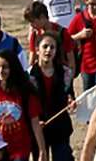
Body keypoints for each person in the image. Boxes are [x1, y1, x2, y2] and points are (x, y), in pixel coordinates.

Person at [28, 33, 74, 161]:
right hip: (38, 129)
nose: (48, 50)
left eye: (52, 47)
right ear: (37, 50)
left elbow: (69, 93)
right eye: (45, 46)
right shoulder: (28, 76)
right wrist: (35, 122)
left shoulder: (65, 73)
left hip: (60, 127)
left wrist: (71, 101)